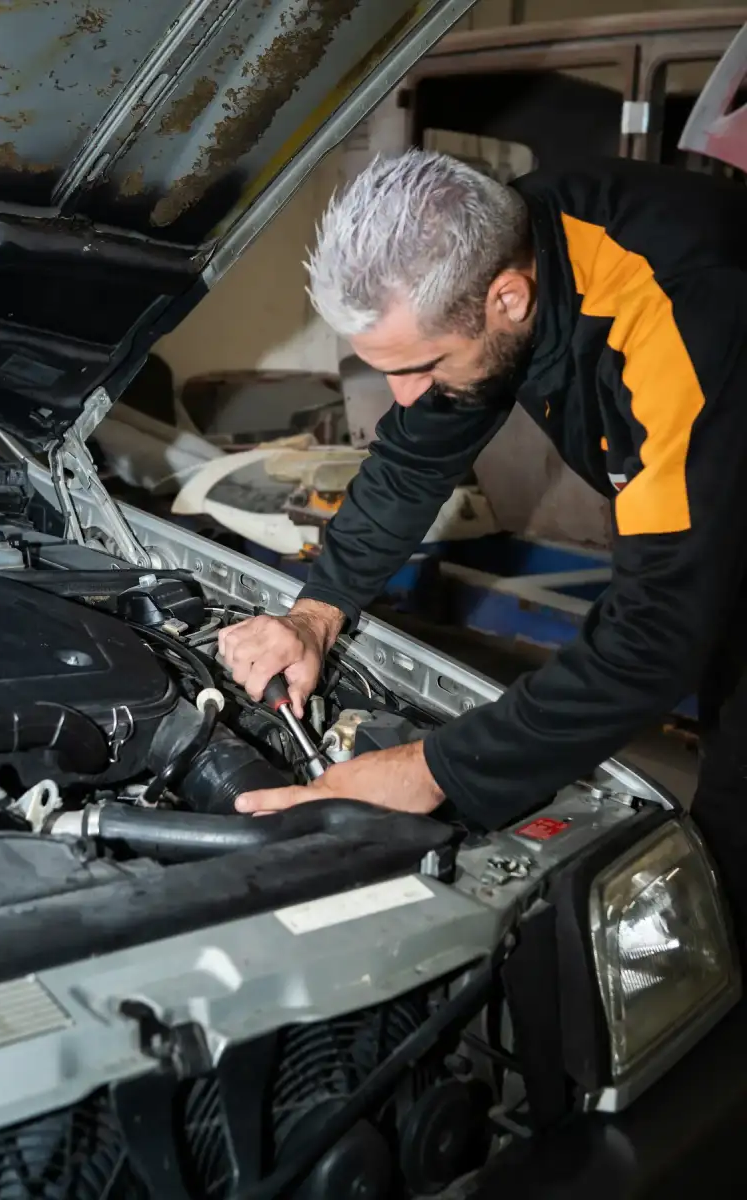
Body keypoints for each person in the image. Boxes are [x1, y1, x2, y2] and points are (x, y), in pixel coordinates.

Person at [218, 149, 747, 932]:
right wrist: (315, 613)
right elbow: (411, 458)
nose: (404, 398)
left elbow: (658, 633)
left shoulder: (682, 307)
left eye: (423, 366)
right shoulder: (499, 254)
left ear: (508, 297)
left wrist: (432, 770)